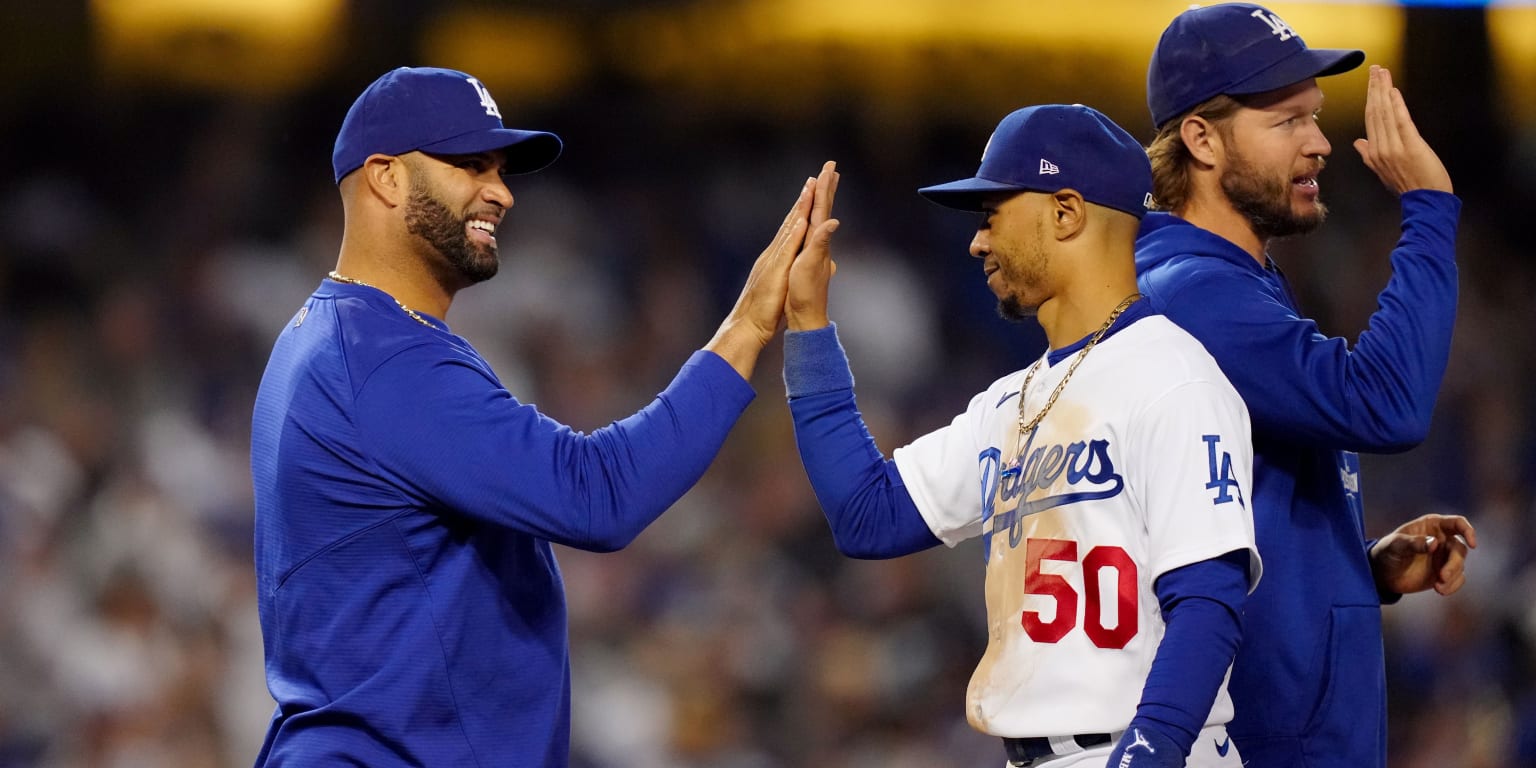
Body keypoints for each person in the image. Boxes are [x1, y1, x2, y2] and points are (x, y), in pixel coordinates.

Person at [248, 66, 838, 765]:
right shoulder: (380, 358)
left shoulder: (328, 337)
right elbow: (598, 495)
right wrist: (746, 326)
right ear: (385, 178)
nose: (501, 191)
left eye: (500, 168)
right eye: (470, 164)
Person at [781, 103, 1262, 768]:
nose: (978, 243)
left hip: (1148, 750)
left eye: (993, 214)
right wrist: (808, 327)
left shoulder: (1175, 379)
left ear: (1066, 212)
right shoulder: (1008, 402)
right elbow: (868, 515)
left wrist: (1151, 753)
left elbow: (1209, 598)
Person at [1136, 5, 1477, 767]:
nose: (1320, 144)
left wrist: (1355, 568)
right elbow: (1385, 403)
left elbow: (1230, 519)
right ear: (1201, 138)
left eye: (1315, 118)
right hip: (1263, 741)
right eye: (1288, 121)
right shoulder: (1193, 293)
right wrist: (1428, 210)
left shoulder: (1226, 280)